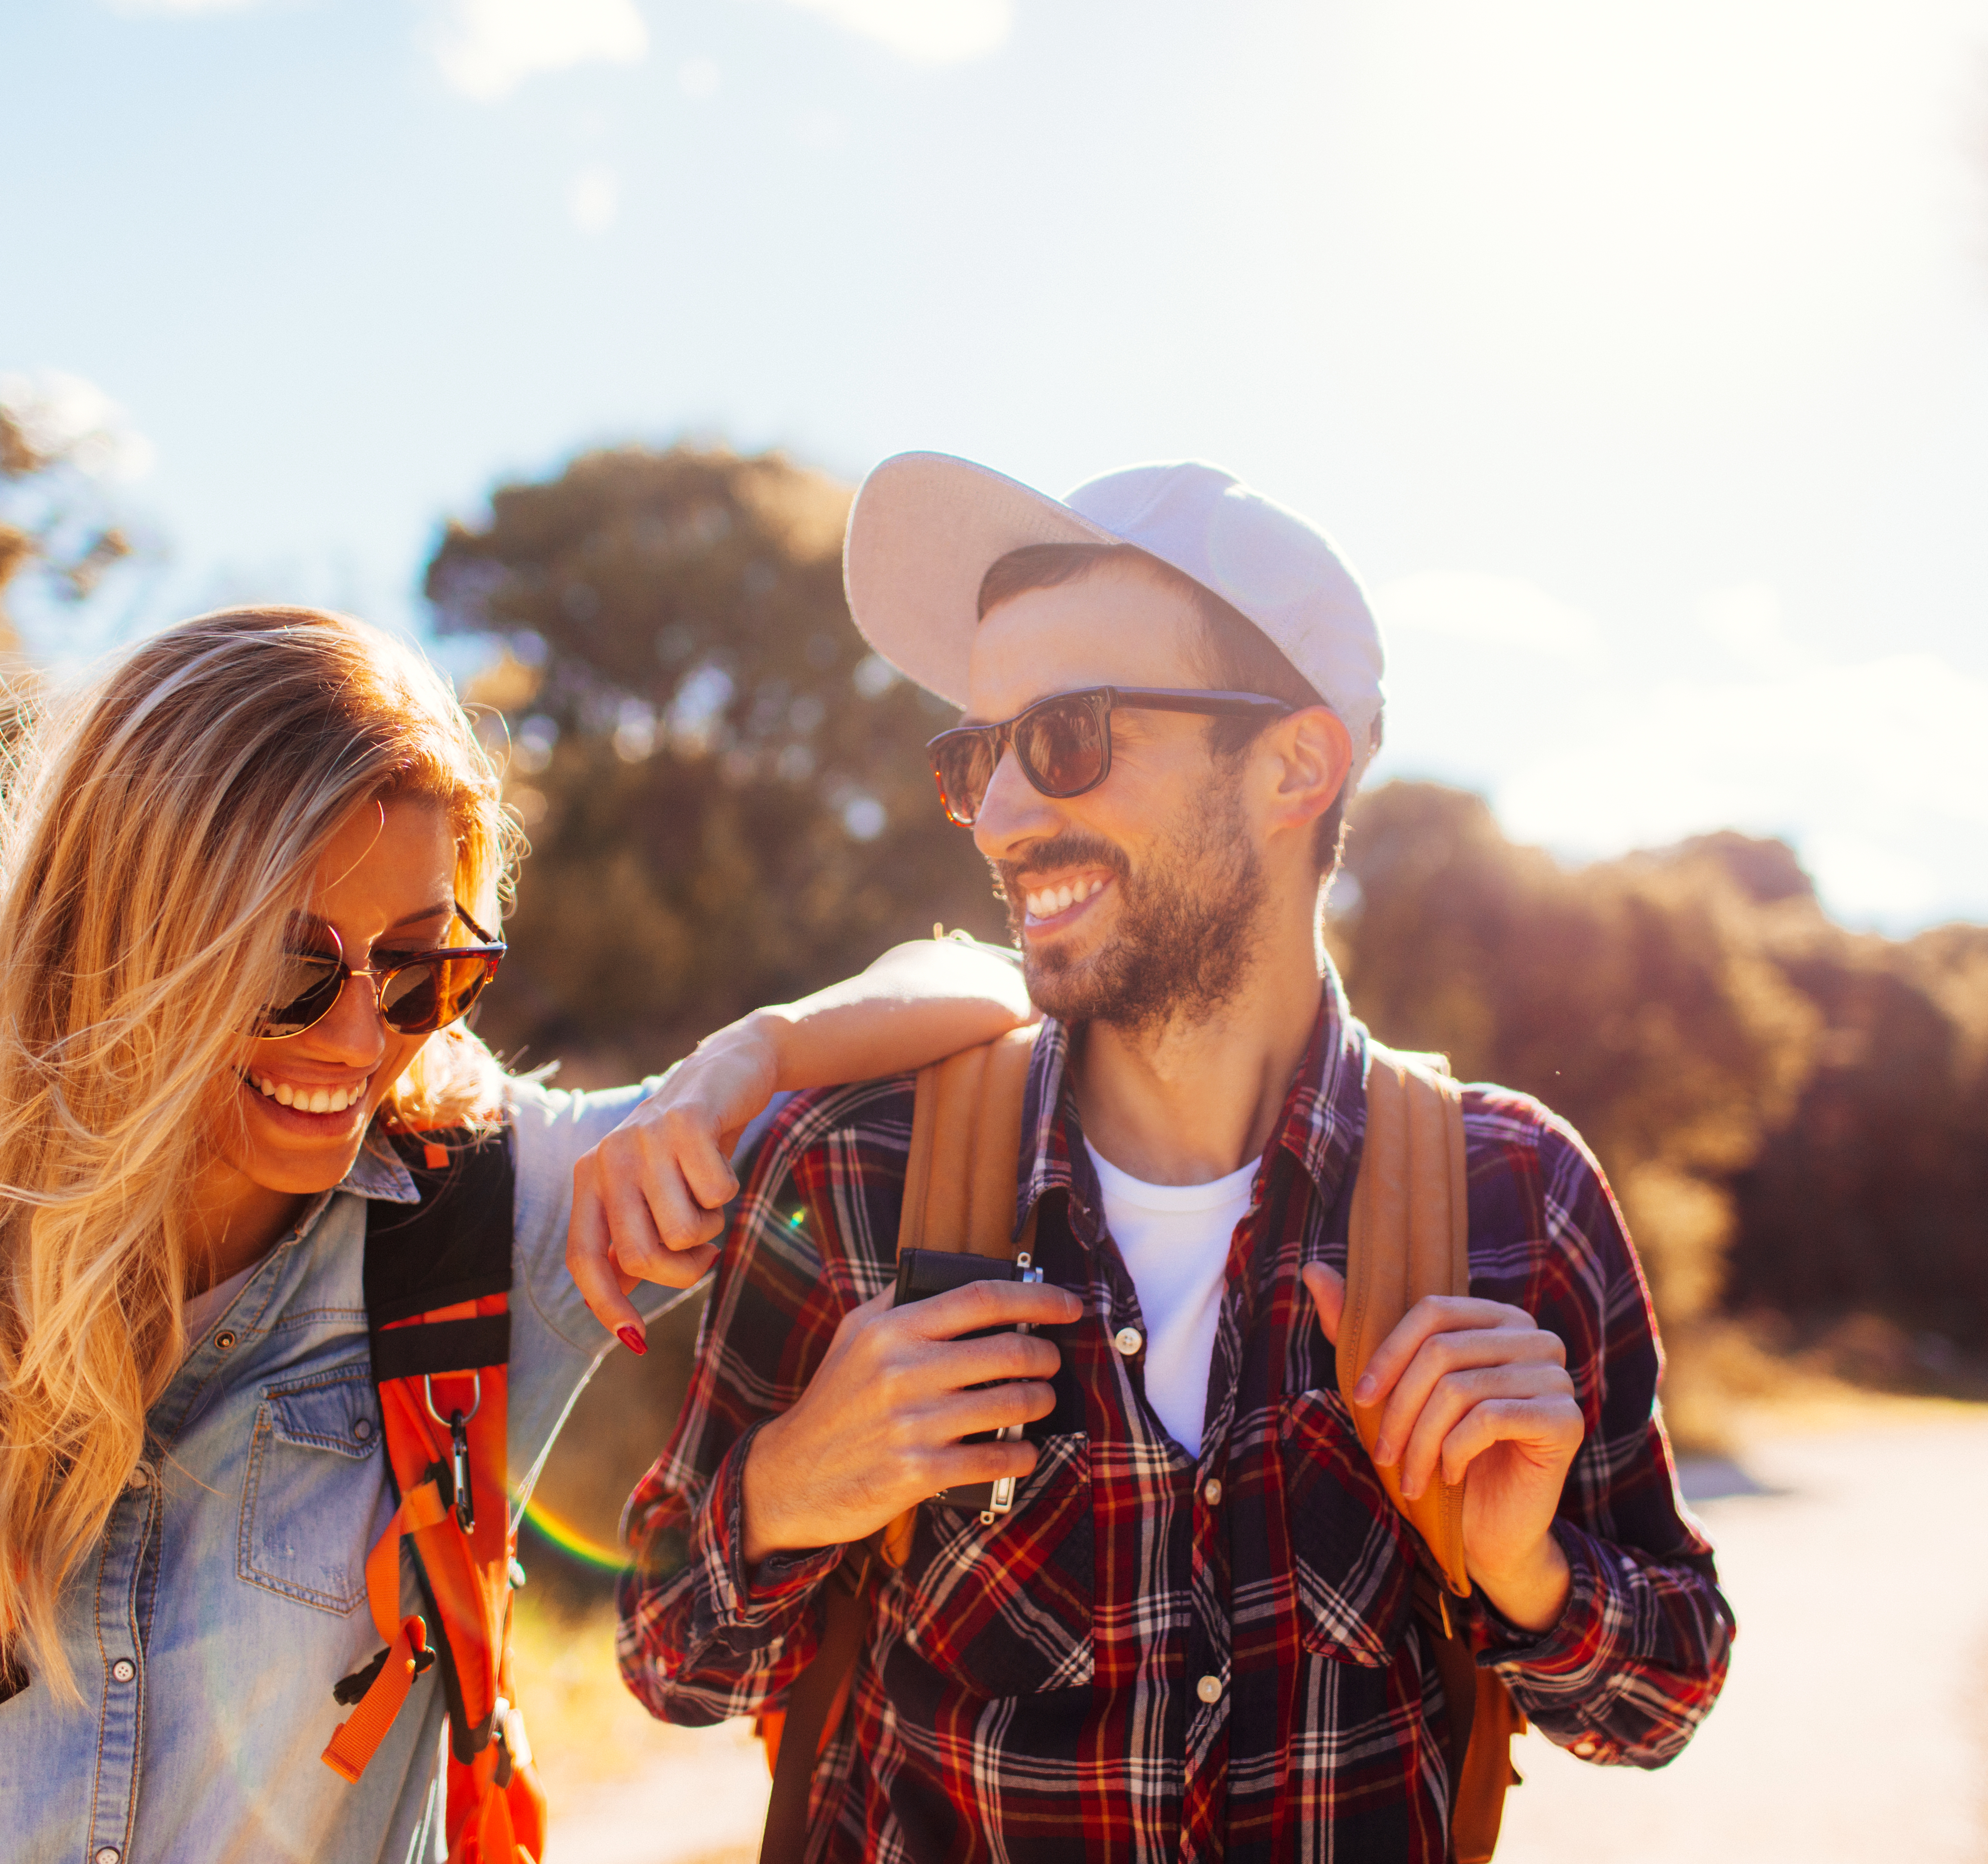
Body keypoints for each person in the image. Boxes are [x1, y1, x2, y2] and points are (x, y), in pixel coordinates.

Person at [0, 606, 1033, 1864]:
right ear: (120, 939)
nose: (361, 1038)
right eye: (289, 970)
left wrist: (746, 1056)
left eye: (425, 967)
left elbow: (986, 985)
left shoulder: (488, 1220)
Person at [613, 456, 1735, 1859]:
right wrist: (790, 1487)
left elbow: (1664, 1691)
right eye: (976, 756)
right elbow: (668, 1658)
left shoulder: (1516, 1194)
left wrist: (1522, 1567)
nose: (1006, 813)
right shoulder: (854, 1178)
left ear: (1292, 763)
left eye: (1068, 736)